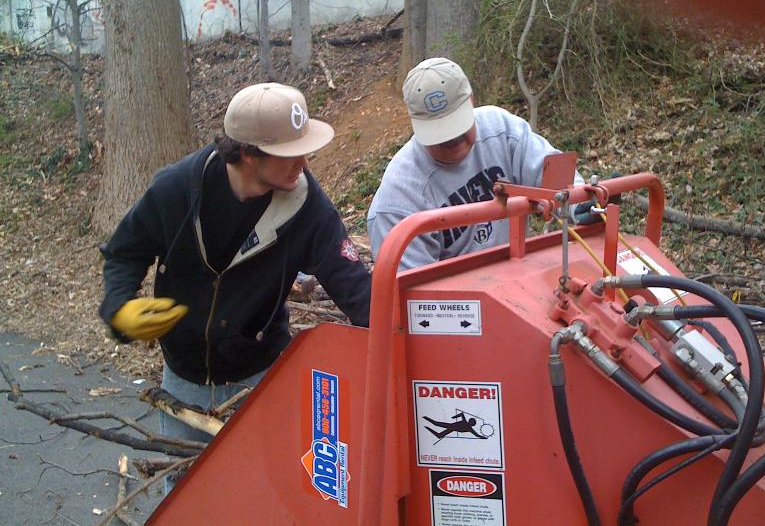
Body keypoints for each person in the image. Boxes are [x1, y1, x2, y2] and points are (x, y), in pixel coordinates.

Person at [98, 82, 371, 455]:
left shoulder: (307, 206)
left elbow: (355, 287)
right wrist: (119, 310)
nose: (303, 163)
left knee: (268, 492)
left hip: (263, 374)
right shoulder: (177, 190)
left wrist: (398, 340)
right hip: (184, 379)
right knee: (184, 495)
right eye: (288, 153)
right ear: (246, 153)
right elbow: (124, 252)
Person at [367, 57, 589, 271]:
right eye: (439, 132)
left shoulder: (502, 130)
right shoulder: (397, 201)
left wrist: (582, 204)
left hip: (521, 274)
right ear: (415, 123)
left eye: (456, 126)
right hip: (455, 303)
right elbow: (414, 294)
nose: (452, 139)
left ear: (471, 100)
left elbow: (556, 179)